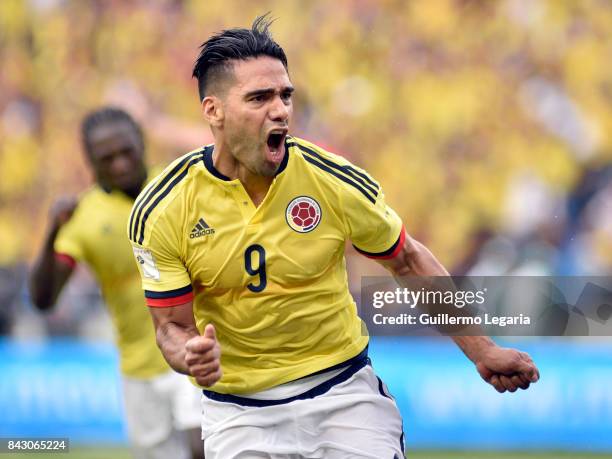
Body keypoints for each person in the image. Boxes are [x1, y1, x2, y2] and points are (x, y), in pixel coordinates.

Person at [127, 16, 540, 458]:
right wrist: (190, 354)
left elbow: (408, 260)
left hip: (343, 396)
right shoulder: (163, 208)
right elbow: (170, 325)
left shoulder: (332, 180)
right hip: (239, 413)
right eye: (259, 97)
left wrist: (482, 350)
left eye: (285, 95)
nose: (281, 109)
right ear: (214, 111)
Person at [29, 107, 204, 459]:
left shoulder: (180, 189)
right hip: (138, 368)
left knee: (203, 446)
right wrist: (51, 232)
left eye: (126, 151)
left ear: (142, 143)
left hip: (195, 350)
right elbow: (43, 299)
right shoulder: (84, 218)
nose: (120, 164)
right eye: (107, 158)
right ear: (90, 162)